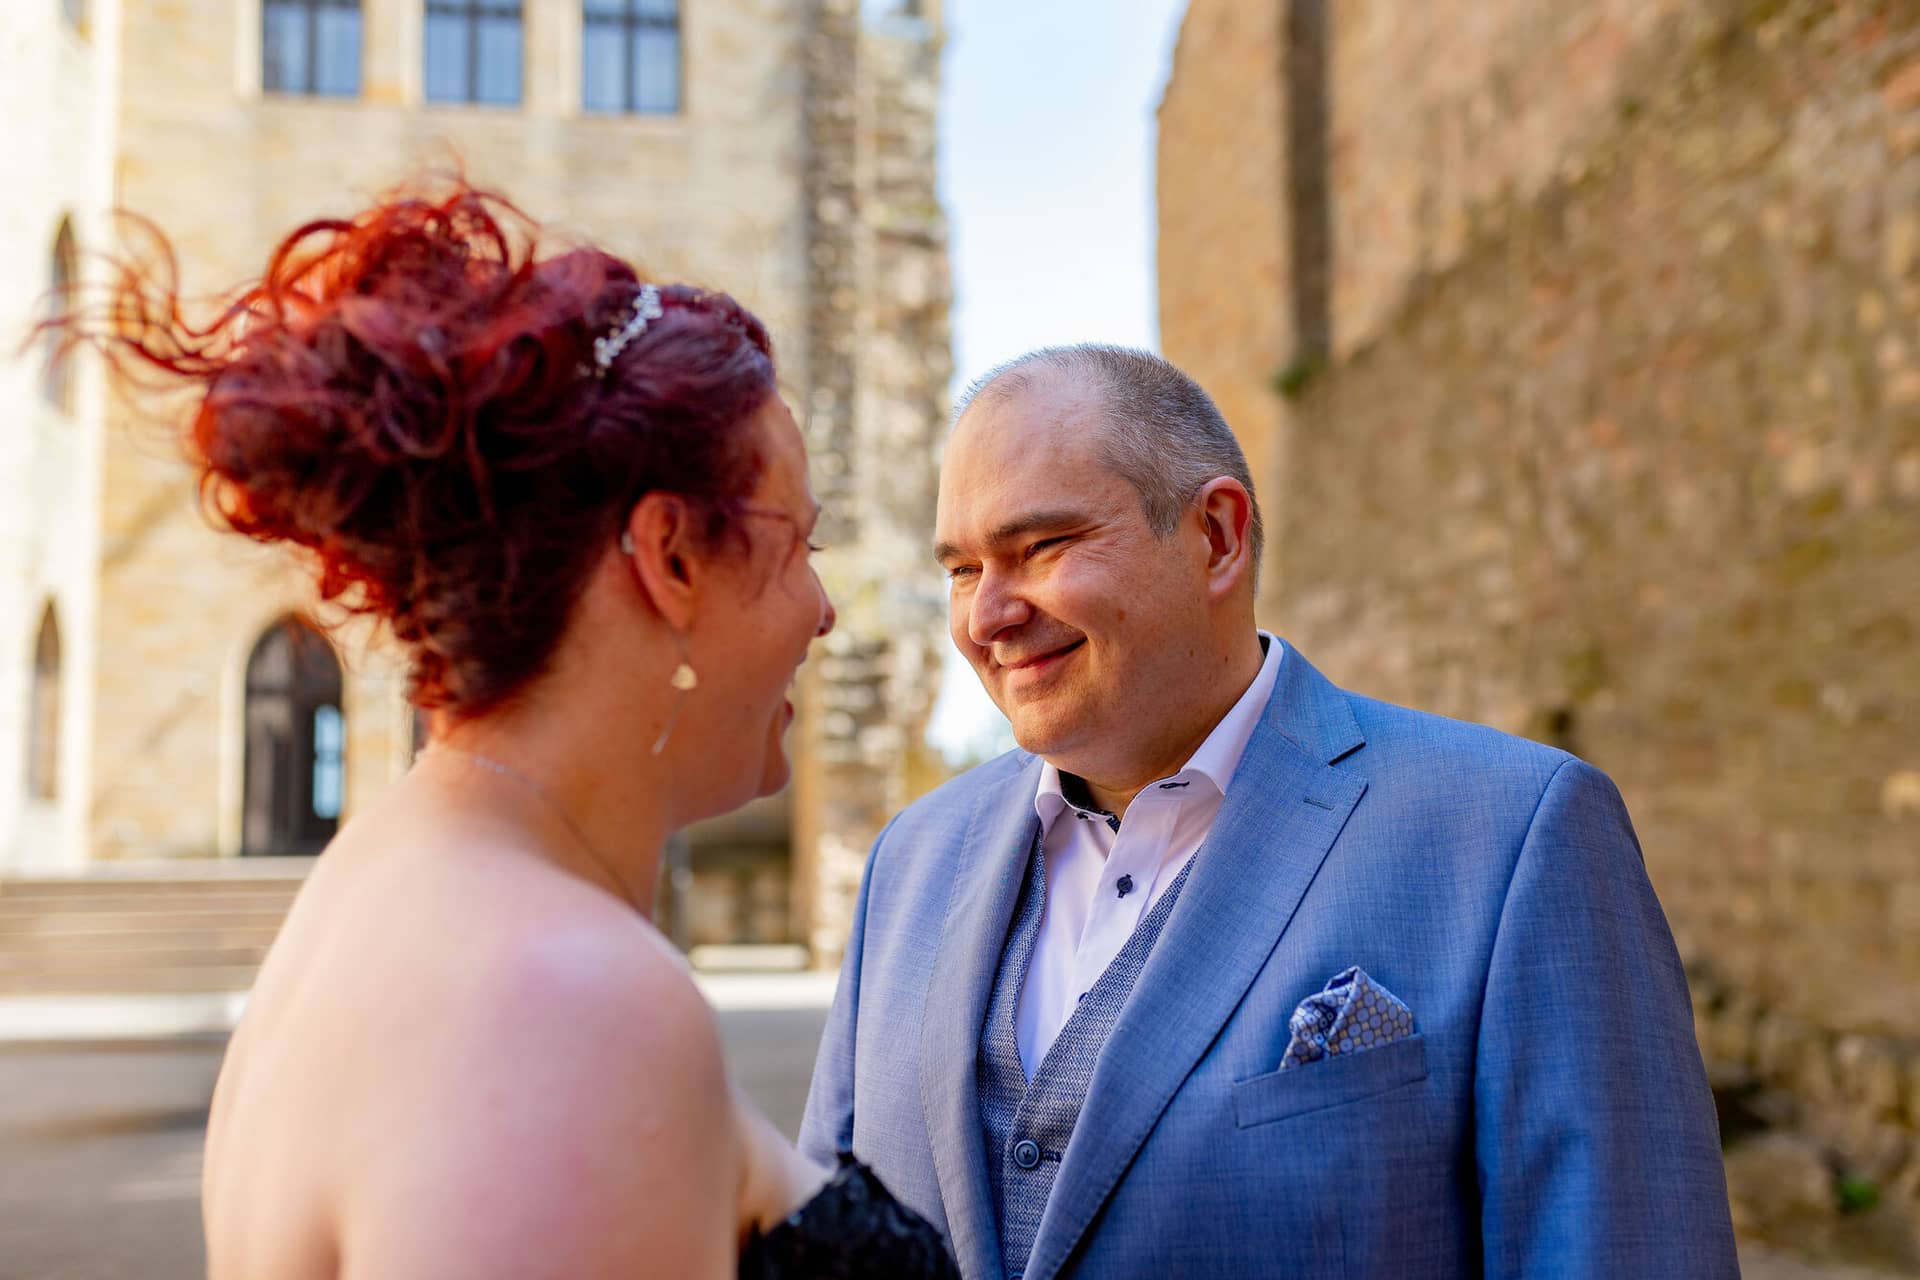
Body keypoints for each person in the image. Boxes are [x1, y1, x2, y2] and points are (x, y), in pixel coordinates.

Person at [60, 182, 957, 1278]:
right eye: (798, 546)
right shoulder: (566, 1001)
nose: (823, 609)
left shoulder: (385, 881)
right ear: (671, 556)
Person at [799, 345, 1739, 1278]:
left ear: (1216, 535)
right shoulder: (910, 863)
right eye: (962, 570)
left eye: (1040, 547)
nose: (987, 615)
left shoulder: (1514, 833)